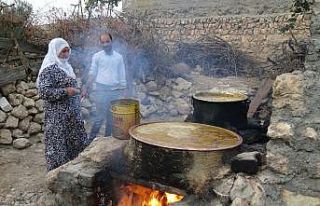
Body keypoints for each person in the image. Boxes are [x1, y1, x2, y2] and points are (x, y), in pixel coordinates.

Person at [37, 38, 87, 171]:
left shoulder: (67, 67)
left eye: (67, 51)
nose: (66, 54)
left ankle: (74, 170)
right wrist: (66, 92)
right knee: (59, 144)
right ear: (55, 51)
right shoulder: (49, 69)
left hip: (72, 114)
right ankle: (58, 174)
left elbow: (72, 85)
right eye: (63, 51)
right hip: (57, 116)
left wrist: (80, 91)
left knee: (75, 142)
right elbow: (43, 92)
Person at [82, 33, 127, 141]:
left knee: (111, 119)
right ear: (100, 43)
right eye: (103, 42)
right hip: (101, 90)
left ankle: (106, 141)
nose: (105, 44)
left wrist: (124, 91)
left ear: (112, 42)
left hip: (115, 92)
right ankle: (89, 142)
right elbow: (92, 73)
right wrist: (86, 87)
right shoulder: (97, 56)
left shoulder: (118, 57)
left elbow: (122, 75)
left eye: (107, 41)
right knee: (99, 118)